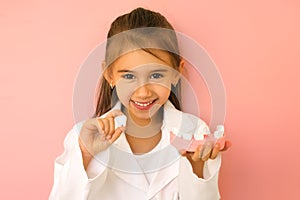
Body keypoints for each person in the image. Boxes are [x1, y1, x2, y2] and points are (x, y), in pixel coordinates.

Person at [49, 7, 231, 200]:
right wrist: (85, 154)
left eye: (156, 75)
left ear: (177, 73)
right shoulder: (82, 137)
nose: (143, 92)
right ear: (109, 74)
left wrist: (197, 170)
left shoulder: (195, 132)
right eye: (128, 76)